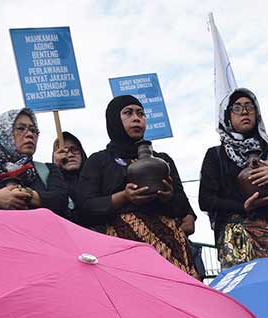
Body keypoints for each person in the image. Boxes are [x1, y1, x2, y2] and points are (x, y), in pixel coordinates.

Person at [77, 95, 199, 278]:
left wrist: (169, 196)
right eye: (128, 113)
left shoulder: (163, 160)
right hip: (122, 249)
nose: (136, 118)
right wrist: (123, 197)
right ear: (114, 120)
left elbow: (182, 206)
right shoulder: (100, 161)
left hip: (169, 248)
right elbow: (85, 207)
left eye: (141, 113)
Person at [199, 88, 268, 268]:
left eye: (250, 107)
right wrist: (242, 207)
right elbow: (205, 201)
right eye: (237, 108)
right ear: (227, 117)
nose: (244, 112)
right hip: (235, 238)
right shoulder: (216, 155)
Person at [0, 108, 68, 215]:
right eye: (21, 128)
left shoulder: (48, 170)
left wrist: (25, 194)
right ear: (3, 133)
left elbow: (61, 202)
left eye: (33, 130)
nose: (30, 134)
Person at [52, 131, 88, 225]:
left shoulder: (95, 179)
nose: (70, 155)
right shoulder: (50, 184)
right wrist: (56, 169)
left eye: (74, 149)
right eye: (63, 151)